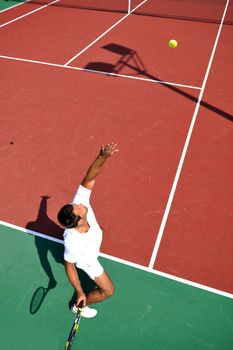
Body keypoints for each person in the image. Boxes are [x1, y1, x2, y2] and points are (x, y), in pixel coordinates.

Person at [57, 143, 119, 318]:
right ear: (78, 221)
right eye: (77, 207)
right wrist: (79, 291)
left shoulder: (80, 205)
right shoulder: (72, 241)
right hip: (87, 259)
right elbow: (69, 266)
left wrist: (102, 157)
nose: (79, 203)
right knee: (108, 291)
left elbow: (89, 178)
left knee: (99, 229)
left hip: (92, 238)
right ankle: (78, 306)